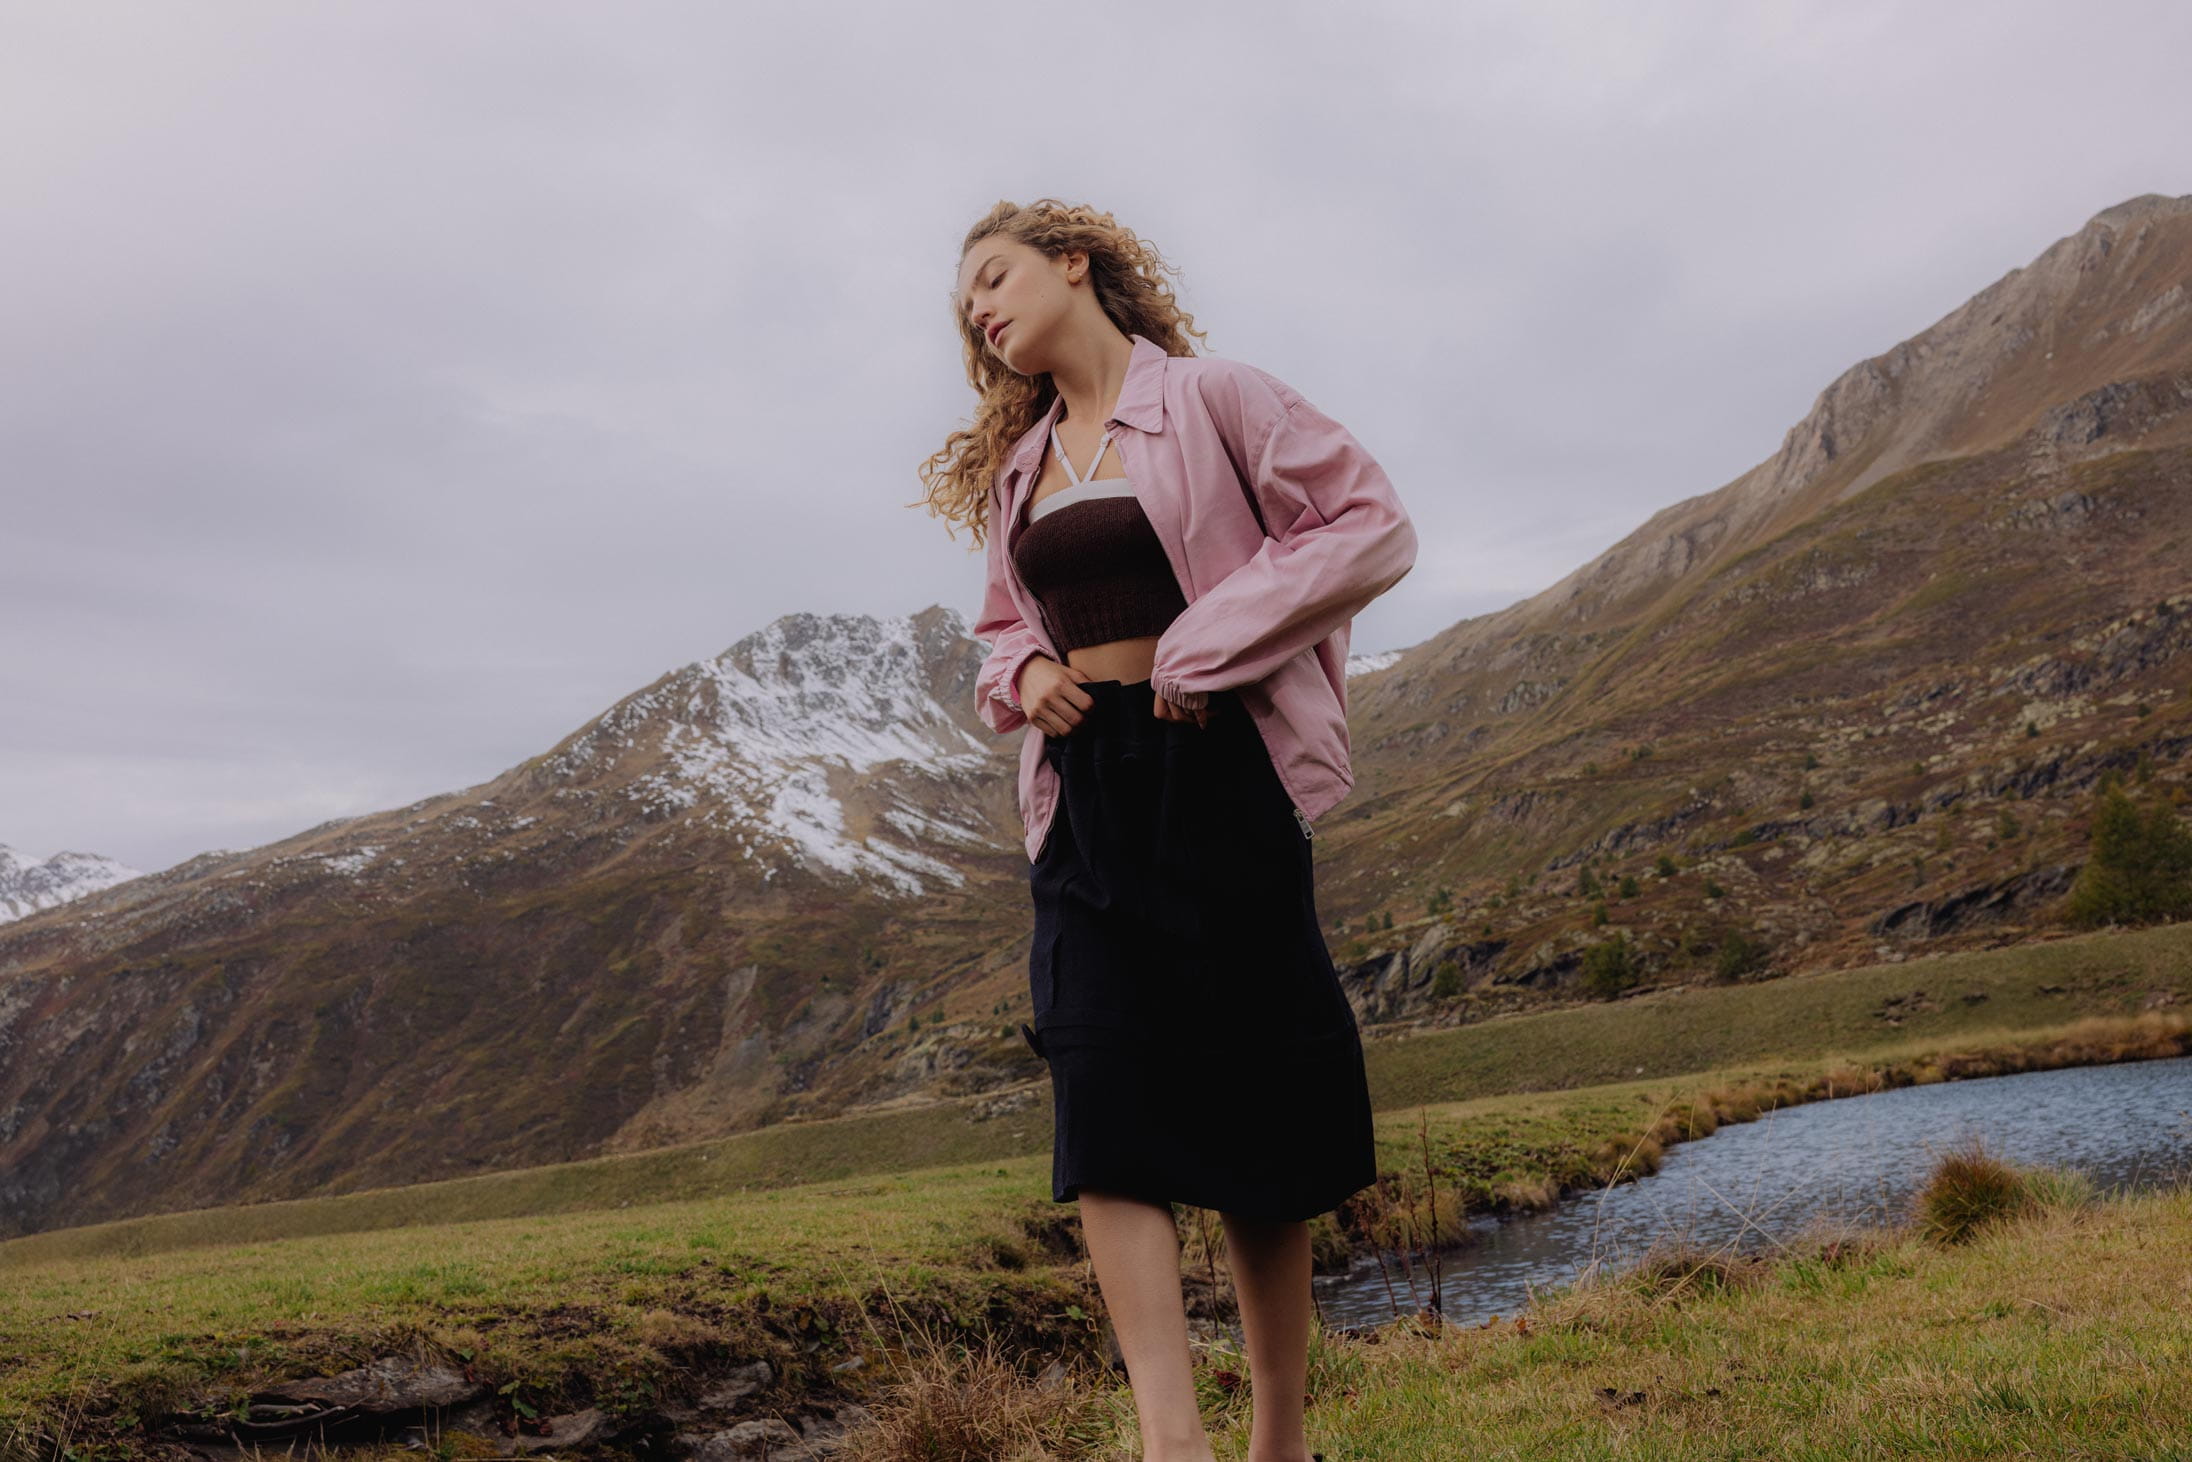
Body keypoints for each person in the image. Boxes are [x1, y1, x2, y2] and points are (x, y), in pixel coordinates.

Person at [918, 198, 1417, 1462]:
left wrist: (1213, 635)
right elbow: (997, 625)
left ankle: (1278, 1440)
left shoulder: (1215, 398)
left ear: (1071, 263)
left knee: (1258, 1104)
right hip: (1083, 795)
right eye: (966, 303)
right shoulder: (1019, 467)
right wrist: (1022, 674)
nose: (979, 309)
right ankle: (1169, 1445)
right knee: (1099, 1092)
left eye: (993, 277)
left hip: (1219, 774)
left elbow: (1368, 527)